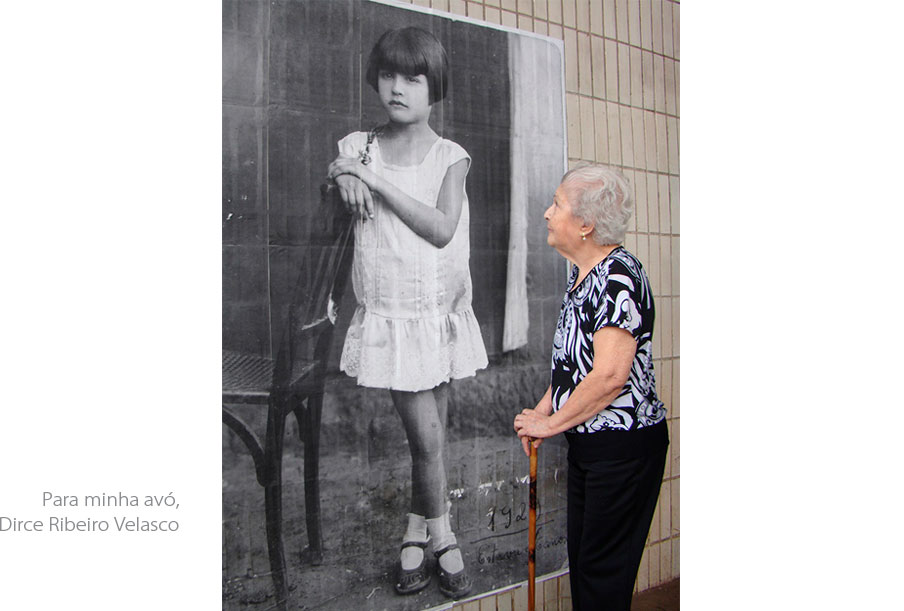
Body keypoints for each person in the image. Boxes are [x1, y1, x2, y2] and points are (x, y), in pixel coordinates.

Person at [326, 27, 487, 599]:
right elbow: (338, 172)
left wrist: (370, 180)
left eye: (412, 79)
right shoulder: (358, 147)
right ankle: (443, 536)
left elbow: (442, 229)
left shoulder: (451, 157)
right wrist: (345, 173)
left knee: (431, 440)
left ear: (432, 88)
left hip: (436, 311)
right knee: (427, 442)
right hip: (392, 318)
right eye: (389, 75)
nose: (397, 88)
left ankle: (416, 530)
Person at [512, 164, 668, 611]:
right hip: (593, 447)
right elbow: (571, 369)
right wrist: (543, 413)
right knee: (587, 565)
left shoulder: (617, 275)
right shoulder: (582, 274)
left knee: (601, 576)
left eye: (557, 204)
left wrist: (551, 425)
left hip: (623, 452)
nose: (546, 213)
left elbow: (609, 377)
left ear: (585, 224)